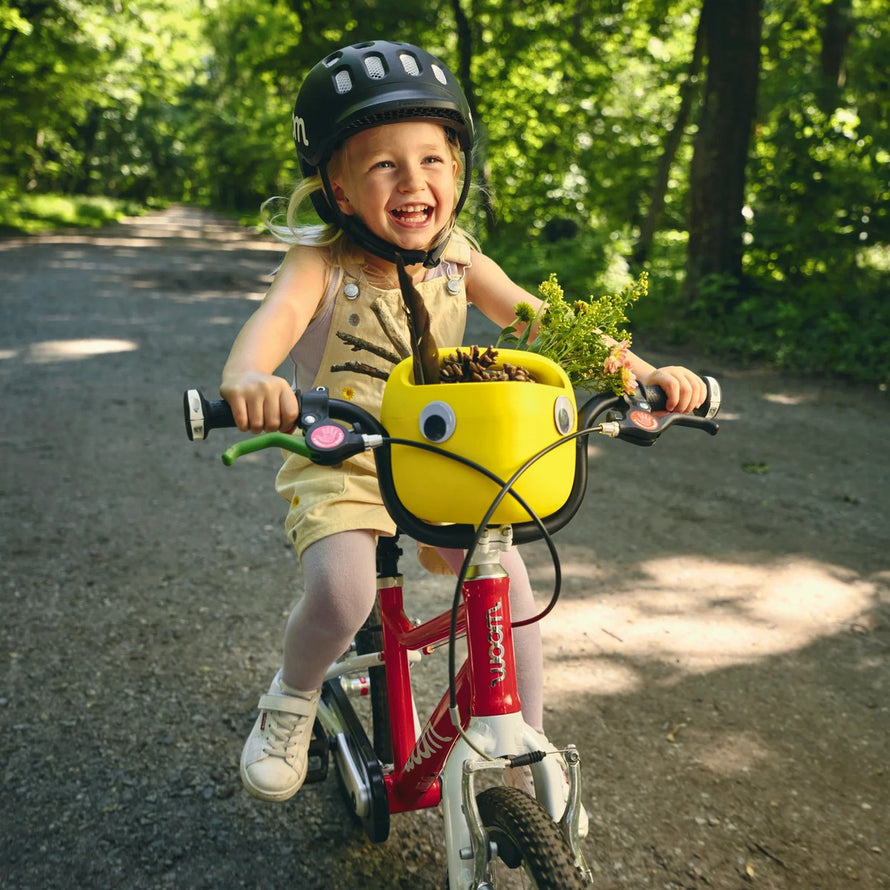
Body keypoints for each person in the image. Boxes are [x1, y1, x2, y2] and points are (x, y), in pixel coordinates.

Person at [220, 40, 707, 803]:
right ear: (339, 190)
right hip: (344, 453)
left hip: (440, 456)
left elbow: (550, 325)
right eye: (383, 165)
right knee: (345, 594)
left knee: (508, 580)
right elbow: (272, 324)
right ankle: (291, 696)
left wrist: (640, 374)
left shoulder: (458, 256)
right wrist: (248, 379)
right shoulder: (322, 262)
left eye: (433, 160)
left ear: (458, 172)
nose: (414, 181)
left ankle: (529, 736)